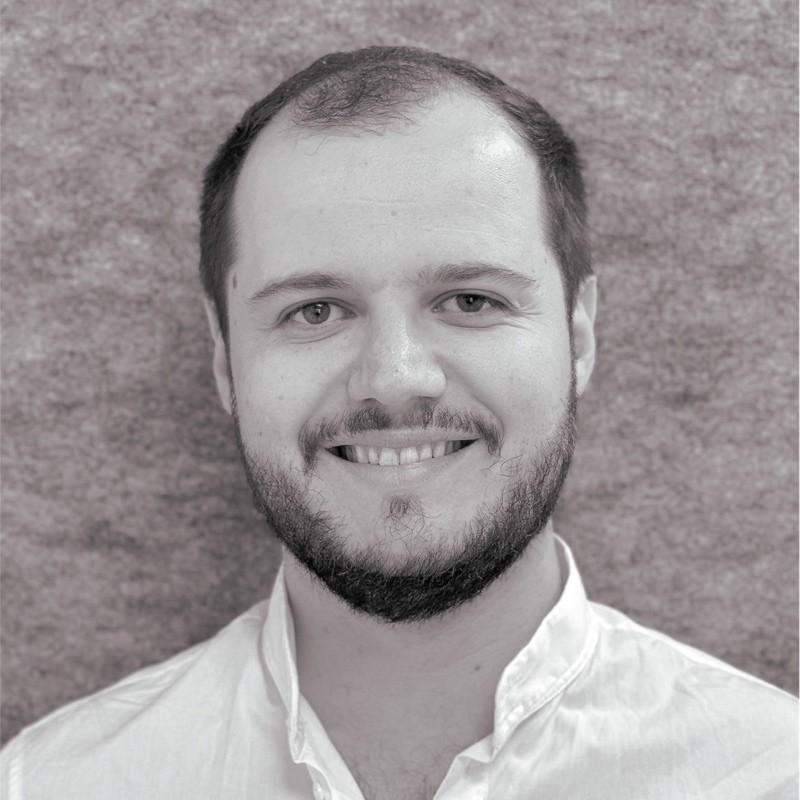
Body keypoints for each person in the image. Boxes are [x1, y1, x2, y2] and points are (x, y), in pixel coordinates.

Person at [1, 46, 796, 800]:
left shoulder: (769, 774)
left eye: (471, 300)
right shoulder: (56, 784)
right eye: (315, 311)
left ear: (578, 334)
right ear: (224, 359)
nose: (395, 377)